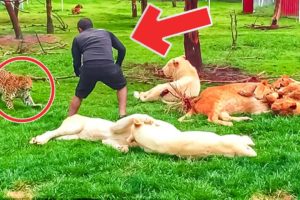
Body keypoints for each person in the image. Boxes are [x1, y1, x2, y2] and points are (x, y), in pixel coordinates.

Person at [69, 18, 127, 118]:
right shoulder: (106, 33)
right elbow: (122, 49)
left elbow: (76, 60)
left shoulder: (78, 38)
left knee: (79, 95)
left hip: (89, 68)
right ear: (92, 26)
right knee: (121, 86)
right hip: (108, 65)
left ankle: (69, 119)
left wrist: (78, 72)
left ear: (79, 29)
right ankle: (122, 114)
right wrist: (117, 65)